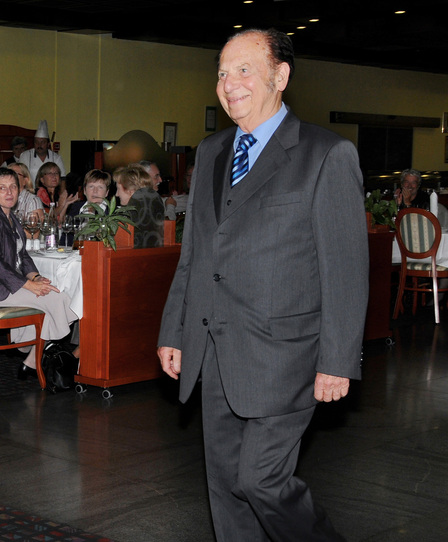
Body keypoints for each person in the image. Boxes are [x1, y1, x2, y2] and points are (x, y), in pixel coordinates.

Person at [157, 28, 368, 542]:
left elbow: (345, 269)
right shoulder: (211, 152)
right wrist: (175, 330)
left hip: (287, 357)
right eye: (222, 74)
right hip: (214, 352)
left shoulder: (326, 154)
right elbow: (196, 255)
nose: (229, 84)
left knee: (260, 479)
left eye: (243, 70)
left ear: (281, 76)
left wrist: (338, 360)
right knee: (226, 487)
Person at [0, 167, 78, 379]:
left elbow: (23, 255)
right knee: (59, 300)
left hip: (9, 284)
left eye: (13, 187)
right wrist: (29, 285)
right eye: (2, 188)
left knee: (57, 295)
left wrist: (36, 277)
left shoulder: (10, 217)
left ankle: (31, 358)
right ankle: (37, 352)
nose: (9, 192)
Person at [114, 165, 163, 248]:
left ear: (130, 190)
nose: (117, 194)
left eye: (118, 189)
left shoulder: (127, 221)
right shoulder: (152, 216)